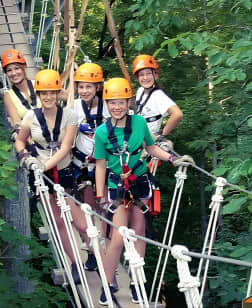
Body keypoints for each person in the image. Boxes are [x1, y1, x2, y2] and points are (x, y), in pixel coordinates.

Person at [93, 78, 194, 305]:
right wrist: (100, 196)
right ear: (106, 104)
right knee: (117, 237)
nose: (116, 107)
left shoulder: (139, 123)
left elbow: (151, 148)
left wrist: (172, 159)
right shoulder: (101, 132)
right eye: (112, 103)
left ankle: (137, 283)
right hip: (116, 187)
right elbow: (100, 164)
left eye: (120, 102)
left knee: (139, 234)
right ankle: (108, 283)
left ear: (129, 102)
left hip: (139, 182)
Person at [15, 69, 88, 284]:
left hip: (61, 172)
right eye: (43, 93)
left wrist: (43, 166)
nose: (47, 97)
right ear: (38, 94)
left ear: (58, 94)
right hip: (40, 175)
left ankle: (95, 254)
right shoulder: (30, 116)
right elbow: (20, 140)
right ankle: (75, 262)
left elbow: (65, 148)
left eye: (52, 93)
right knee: (57, 221)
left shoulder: (70, 116)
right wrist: (26, 157)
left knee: (80, 223)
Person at [72, 62, 110, 272]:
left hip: (104, 165)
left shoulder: (110, 105)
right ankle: (92, 252)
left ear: (98, 87)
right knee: (87, 210)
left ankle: (105, 252)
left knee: (103, 209)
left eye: (89, 86)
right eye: (81, 87)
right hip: (83, 166)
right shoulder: (75, 107)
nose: (84, 91)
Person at [132, 54, 183, 140]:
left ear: (155, 75)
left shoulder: (158, 96)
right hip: (137, 135)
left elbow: (177, 114)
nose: (145, 78)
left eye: (148, 73)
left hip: (148, 139)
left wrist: (161, 135)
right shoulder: (140, 91)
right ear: (137, 78)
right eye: (141, 74)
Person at [1, 49, 41, 139]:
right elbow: (17, 123)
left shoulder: (39, 84)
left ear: (24, 67)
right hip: (30, 137)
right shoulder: (8, 96)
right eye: (9, 70)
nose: (13, 73)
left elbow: (67, 96)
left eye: (17, 68)